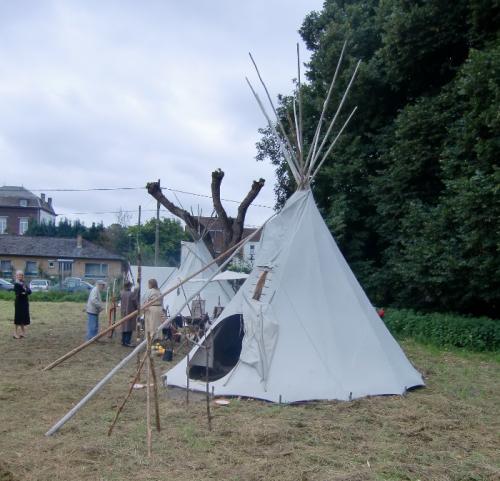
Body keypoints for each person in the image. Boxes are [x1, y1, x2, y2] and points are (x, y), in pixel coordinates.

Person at [13, 271, 31, 339]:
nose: (20, 276)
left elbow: (30, 291)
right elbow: (19, 293)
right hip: (19, 303)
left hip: (25, 302)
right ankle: (15, 333)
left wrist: (25, 292)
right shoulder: (16, 284)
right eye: (18, 275)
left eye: (21, 275)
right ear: (16, 276)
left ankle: (23, 333)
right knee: (18, 318)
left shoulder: (23, 283)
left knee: (23, 317)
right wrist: (25, 291)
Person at [120, 281, 138, 347]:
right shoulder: (131, 294)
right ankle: (127, 341)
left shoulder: (122, 293)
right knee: (129, 327)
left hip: (123, 312)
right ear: (129, 286)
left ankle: (123, 341)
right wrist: (137, 308)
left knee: (124, 326)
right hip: (130, 311)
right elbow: (135, 302)